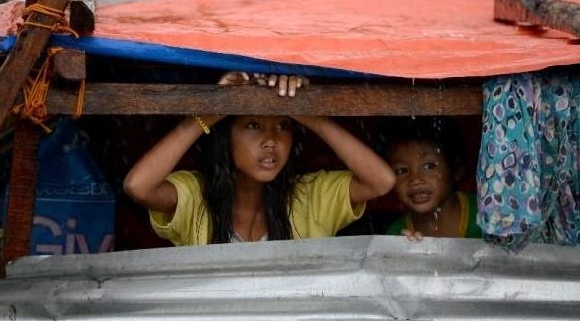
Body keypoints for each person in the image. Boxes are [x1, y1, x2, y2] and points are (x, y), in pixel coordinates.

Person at [124, 71, 396, 245]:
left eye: (283, 126)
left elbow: (381, 181)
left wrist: (307, 111)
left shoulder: (311, 195)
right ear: (226, 136)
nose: (271, 141)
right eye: (253, 125)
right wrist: (210, 111)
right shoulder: (196, 194)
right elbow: (138, 186)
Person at [383, 117, 482, 240]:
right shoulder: (398, 235)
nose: (415, 179)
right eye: (402, 170)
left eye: (429, 166)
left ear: (456, 170)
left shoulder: (485, 213)